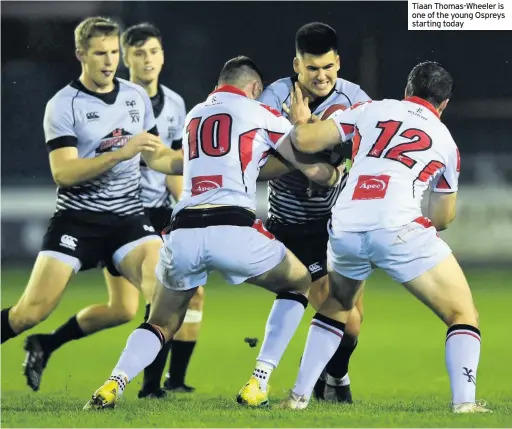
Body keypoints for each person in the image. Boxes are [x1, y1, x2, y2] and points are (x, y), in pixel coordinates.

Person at [83, 56, 342, 410]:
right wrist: (332, 167)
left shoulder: (194, 116)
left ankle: (111, 384)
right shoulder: (258, 113)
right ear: (253, 88)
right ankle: (258, 382)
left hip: (182, 231)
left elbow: (229, 162)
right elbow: (306, 153)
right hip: (233, 226)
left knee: (160, 321)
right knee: (297, 282)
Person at [278, 61, 491, 414]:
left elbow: (303, 139)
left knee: (337, 305)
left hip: (346, 223)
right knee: (462, 313)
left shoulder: (370, 109)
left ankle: (298, 397)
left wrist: (301, 120)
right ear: (445, 104)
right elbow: (442, 217)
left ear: (407, 89)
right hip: (398, 226)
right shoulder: (445, 140)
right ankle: (465, 404)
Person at [0, 16, 181, 392]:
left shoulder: (134, 98)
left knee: (165, 288)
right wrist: (120, 153)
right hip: (77, 220)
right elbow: (64, 173)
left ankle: (134, 386)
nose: (109, 61)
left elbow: (155, 158)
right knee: (29, 313)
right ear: (81, 54)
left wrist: (193, 163)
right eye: (100, 53)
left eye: (114, 52)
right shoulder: (63, 104)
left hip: (128, 219)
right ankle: (42, 339)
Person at [257, 22, 371, 402]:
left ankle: (332, 379)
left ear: (338, 63)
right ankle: (323, 383)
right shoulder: (273, 99)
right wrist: (311, 160)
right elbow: (255, 166)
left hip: (340, 221)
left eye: (328, 67)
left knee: (353, 323)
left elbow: (369, 155)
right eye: (311, 69)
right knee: (343, 317)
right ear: (296, 65)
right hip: (292, 224)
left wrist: (313, 152)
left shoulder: (356, 100)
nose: (321, 77)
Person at [121, 22, 204, 398]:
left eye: (153, 51)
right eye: (139, 53)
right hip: (124, 212)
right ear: (126, 59)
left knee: (194, 291)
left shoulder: (175, 103)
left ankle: (174, 379)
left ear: (163, 56)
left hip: (159, 211)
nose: (147, 59)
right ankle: (149, 384)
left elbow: (172, 164)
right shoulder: (116, 100)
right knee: (155, 295)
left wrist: (186, 205)